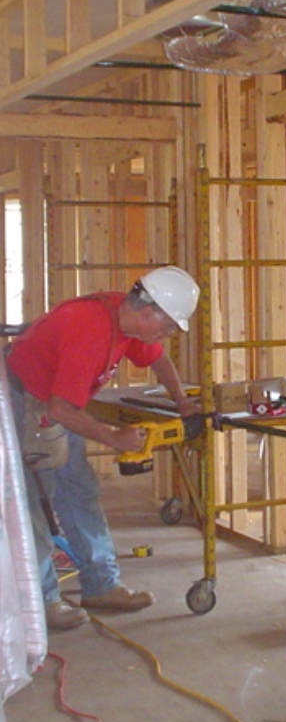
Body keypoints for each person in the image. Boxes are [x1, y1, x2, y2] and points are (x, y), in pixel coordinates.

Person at [5, 266, 200, 631]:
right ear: (148, 312)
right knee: (31, 502)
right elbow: (60, 410)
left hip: (55, 400)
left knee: (79, 490)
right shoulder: (89, 330)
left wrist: (182, 402)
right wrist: (113, 438)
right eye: (169, 326)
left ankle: (101, 586)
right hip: (21, 400)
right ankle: (42, 600)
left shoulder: (126, 320)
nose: (168, 334)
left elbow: (156, 357)